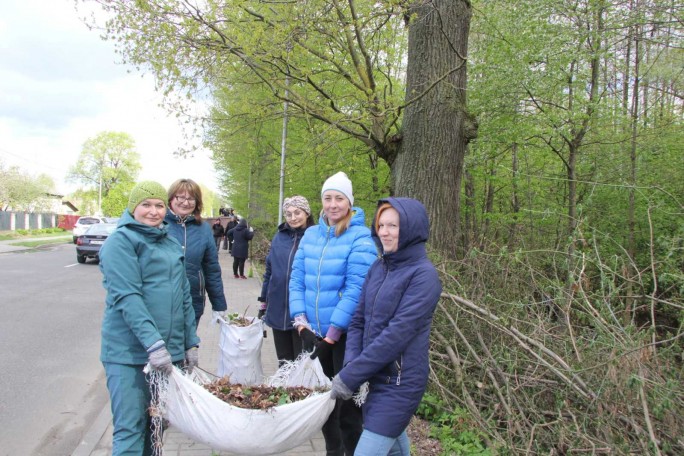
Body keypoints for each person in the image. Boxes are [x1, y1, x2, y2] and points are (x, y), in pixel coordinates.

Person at [330, 198, 442, 456]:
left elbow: (396, 335)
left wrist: (352, 375)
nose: (383, 232)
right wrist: (351, 364)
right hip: (374, 379)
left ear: (412, 228)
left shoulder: (424, 276)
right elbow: (358, 320)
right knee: (395, 449)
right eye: (380, 225)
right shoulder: (378, 268)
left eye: (393, 225)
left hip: (400, 384)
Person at [99, 180, 200, 455]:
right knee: (131, 428)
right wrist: (154, 344)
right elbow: (128, 298)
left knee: (156, 427)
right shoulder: (120, 243)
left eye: (158, 205)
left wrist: (190, 342)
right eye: (146, 205)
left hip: (166, 356)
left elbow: (184, 297)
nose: (153, 211)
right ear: (133, 208)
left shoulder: (168, 243)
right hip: (128, 355)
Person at [289, 171, 378, 456]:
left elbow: (356, 289)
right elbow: (297, 279)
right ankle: (332, 451)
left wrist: (332, 334)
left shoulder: (361, 237)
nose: (333, 204)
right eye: (328, 198)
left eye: (339, 198)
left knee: (348, 406)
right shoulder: (311, 234)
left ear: (350, 203)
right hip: (313, 334)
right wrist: (301, 323)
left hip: (344, 338)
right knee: (323, 404)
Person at [258, 196, 315, 366]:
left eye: (297, 212)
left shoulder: (314, 237)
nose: (293, 217)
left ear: (307, 213)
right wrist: (263, 302)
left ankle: (300, 392)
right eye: (288, 214)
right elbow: (270, 270)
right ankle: (283, 390)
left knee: (301, 362)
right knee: (283, 361)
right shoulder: (279, 237)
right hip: (277, 307)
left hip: (301, 311)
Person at [165, 178, 228, 326]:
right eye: (181, 197)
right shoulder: (159, 224)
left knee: (188, 346)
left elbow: (211, 269)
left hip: (193, 301)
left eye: (191, 198)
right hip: (161, 302)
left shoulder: (203, 229)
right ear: (171, 199)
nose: (186, 202)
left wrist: (219, 304)